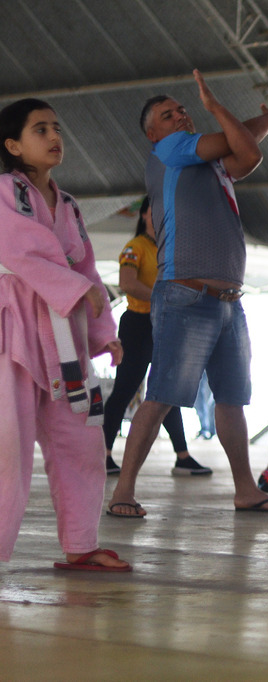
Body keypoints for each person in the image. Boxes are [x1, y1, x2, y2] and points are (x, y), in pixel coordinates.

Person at [107, 70, 268, 518]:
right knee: (161, 395)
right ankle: (122, 492)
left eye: (182, 109)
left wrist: (266, 118)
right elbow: (239, 144)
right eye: (168, 115)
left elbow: (246, 151)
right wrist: (215, 109)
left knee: (231, 399)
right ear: (154, 134)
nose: (180, 115)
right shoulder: (170, 150)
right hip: (185, 294)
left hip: (228, 300)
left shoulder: (209, 165)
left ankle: (246, 489)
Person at [0, 98, 130, 571]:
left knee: (80, 441)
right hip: (12, 329)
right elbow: (20, 249)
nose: (54, 136)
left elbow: (88, 271)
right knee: (7, 449)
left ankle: (80, 545)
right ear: (13, 145)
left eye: (56, 127)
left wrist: (103, 333)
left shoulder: (70, 207)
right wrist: (77, 289)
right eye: (40, 130)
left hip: (64, 341)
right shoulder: (3, 191)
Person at [102, 196, 212, 477]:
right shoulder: (134, 247)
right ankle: (102, 454)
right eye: (156, 210)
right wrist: (163, 299)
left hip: (163, 324)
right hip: (138, 323)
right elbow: (127, 283)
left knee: (166, 390)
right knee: (125, 389)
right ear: (144, 215)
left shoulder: (168, 248)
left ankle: (183, 455)